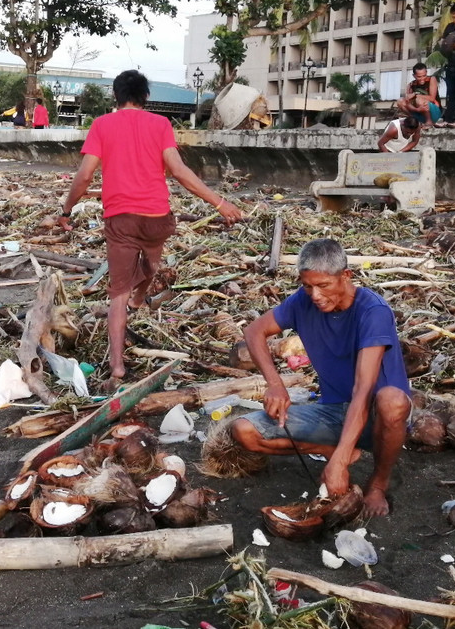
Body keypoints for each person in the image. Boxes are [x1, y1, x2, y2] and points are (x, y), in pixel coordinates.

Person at [58, 70, 243, 392]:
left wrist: (66, 208)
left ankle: (117, 365)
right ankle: (140, 298)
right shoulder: (161, 125)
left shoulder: (102, 125)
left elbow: (85, 175)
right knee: (151, 264)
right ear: (145, 96)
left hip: (121, 219)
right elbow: (179, 171)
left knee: (117, 295)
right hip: (158, 216)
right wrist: (220, 203)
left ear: (115, 97)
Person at [229, 239, 412, 518]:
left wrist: (338, 465)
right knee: (243, 430)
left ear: (345, 276)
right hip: (334, 412)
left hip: (377, 417)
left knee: (393, 401)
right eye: (307, 285)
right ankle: (331, 449)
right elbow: (254, 331)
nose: (314, 295)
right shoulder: (303, 302)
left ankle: (378, 483)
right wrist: (275, 384)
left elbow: (363, 390)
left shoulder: (372, 311)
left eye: (323, 285)